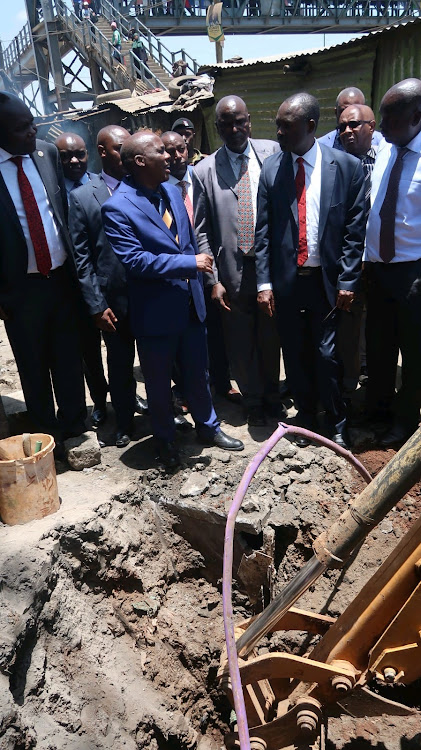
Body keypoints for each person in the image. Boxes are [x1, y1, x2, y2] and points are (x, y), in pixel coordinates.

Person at [102, 131, 244, 468]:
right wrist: (188, 264)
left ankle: (207, 428)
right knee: (158, 382)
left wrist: (207, 279)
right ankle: (165, 441)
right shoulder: (117, 207)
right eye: (161, 152)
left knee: (198, 373)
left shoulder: (169, 189)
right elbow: (135, 261)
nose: (170, 157)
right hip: (155, 312)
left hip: (190, 302)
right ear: (139, 161)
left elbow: (190, 240)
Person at [255, 92, 366, 449]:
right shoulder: (273, 169)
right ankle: (305, 417)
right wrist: (264, 282)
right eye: (278, 126)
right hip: (288, 283)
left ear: (311, 127)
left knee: (325, 354)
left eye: (285, 127)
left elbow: (354, 231)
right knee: (295, 351)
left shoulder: (346, 167)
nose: (279, 134)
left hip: (327, 283)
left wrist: (348, 279)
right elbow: (263, 231)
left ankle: (336, 419)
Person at [0, 93, 86, 453]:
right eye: (22, 128)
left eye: (32, 122)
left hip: (62, 280)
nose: (33, 131)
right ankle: (45, 437)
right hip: (19, 289)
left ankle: (75, 428)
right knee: (33, 366)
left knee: (68, 357)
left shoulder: (46, 154)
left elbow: (62, 213)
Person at [193, 95, 284, 427]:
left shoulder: (272, 153)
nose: (235, 128)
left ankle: (274, 395)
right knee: (240, 339)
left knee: (271, 335)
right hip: (232, 271)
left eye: (240, 121)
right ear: (217, 128)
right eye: (226, 124)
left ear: (249, 121)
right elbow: (201, 230)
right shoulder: (203, 170)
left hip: (270, 265)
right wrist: (212, 279)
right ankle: (254, 400)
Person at [68, 126, 146, 448]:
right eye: (119, 148)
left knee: (159, 360)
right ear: (102, 152)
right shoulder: (83, 197)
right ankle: (125, 422)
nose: (126, 153)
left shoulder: (144, 185)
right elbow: (82, 259)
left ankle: (166, 412)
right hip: (114, 300)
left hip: (150, 293)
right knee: (120, 365)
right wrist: (97, 305)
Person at [161, 130, 241, 405]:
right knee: (185, 333)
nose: (175, 156)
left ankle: (222, 383)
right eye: (168, 151)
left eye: (180, 149)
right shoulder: (159, 189)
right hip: (179, 270)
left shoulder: (202, 177)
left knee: (217, 329)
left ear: (188, 148)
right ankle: (184, 389)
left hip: (211, 266)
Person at [364, 78, 421, 447]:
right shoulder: (386, 147)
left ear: (417, 116)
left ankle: (405, 421)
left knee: (414, 352)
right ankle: (378, 412)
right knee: (379, 346)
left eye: (389, 119)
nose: (380, 128)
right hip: (378, 269)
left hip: (414, 273)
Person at [55, 132, 109, 428]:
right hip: (75, 286)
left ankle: (125, 396)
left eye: (79, 154)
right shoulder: (54, 193)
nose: (74, 161)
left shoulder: (102, 184)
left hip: (109, 281)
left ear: (90, 154)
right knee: (89, 349)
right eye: (66, 156)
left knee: (120, 347)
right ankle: (100, 402)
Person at [336, 103, 378, 404]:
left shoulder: (389, 160)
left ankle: (378, 391)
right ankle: (349, 393)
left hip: (383, 262)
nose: (347, 131)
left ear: (371, 127)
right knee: (348, 332)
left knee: (381, 329)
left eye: (354, 124)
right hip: (346, 264)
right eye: (342, 127)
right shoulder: (334, 166)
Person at [318, 86, 383, 152]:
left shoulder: (383, 144)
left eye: (356, 109)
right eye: (343, 110)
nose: (348, 113)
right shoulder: (321, 147)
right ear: (336, 112)